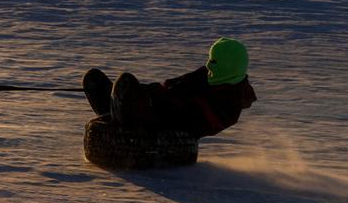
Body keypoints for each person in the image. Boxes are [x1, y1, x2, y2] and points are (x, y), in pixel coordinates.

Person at [83, 38, 257, 137]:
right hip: (156, 108)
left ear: (229, 66)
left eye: (214, 61)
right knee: (94, 79)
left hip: (161, 128)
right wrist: (148, 91)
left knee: (125, 83)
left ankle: (120, 118)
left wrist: (159, 103)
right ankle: (117, 113)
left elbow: (189, 123)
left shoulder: (229, 105)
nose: (208, 65)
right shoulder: (209, 74)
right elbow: (174, 85)